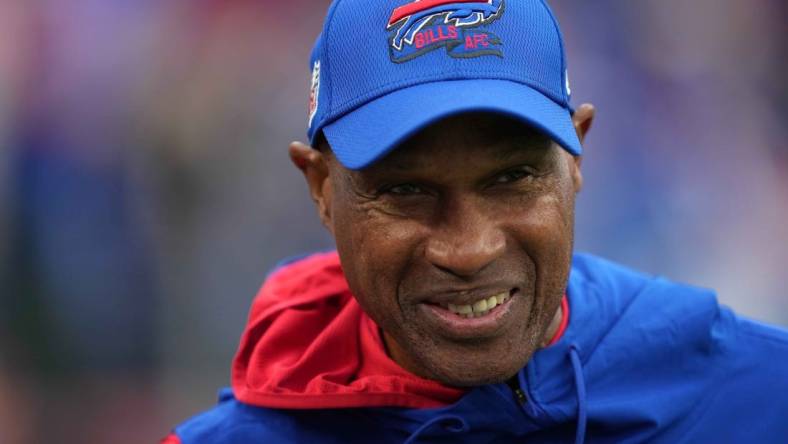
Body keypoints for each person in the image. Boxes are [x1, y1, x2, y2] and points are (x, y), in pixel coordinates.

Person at [163, 0, 788, 442]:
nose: (469, 248)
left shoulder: (761, 399)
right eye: (406, 190)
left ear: (576, 157)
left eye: (512, 178)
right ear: (322, 187)